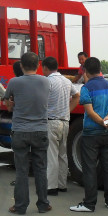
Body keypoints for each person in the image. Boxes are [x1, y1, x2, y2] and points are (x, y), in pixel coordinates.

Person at [3, 52, 51, 215]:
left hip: (20, 131)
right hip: (40, 130)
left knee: (22, 171)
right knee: (40, 168)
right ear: (38, 65)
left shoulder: (14, 82)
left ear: (21, 66)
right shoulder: (46, 81)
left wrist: (11, 105)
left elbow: (7, 103)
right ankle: (43, 204)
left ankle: (20, 206)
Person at [70, 57, 108, 212]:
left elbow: (90, 112)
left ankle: (89, 203)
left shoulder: (86, 88)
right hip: (107, 133)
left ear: (85, 71)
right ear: (100, 69)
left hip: (91, 133)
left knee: (90, 168)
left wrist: (103, 122)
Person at [42, 56, 80, 196]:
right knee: (62, 154)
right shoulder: (66, 81)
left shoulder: (47, 81)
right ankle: (62, 184)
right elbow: (77, 96)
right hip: (65, 121)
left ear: (46, 68)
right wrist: (68, 111)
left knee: (51, 154)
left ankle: (51, 187)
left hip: (51, 122)